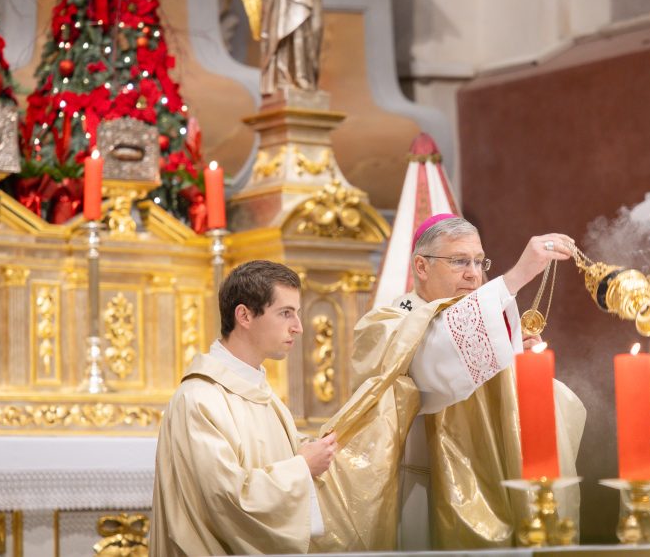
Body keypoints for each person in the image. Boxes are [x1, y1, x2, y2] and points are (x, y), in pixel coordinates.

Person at [312, 215, 587, 551]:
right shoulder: (385, 323)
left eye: (477, 261)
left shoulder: (487, 325)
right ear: (422, 267)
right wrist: (515, 278)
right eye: (459, 261)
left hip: (484, 487)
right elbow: (432, 364)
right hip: (411, 494)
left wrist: (521, 366)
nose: (473, 273)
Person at [151, 260, 337, 556]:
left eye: (297, 313)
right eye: (285, 313)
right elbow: (227, 500)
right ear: (244, 315)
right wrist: (301, 467)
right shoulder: (200, 399)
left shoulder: (263, 394)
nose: (298, 327)